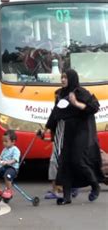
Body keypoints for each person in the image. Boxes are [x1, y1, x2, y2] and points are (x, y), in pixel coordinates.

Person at [45, 69, 104, 205]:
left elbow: (94, 107)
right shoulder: (60, 94)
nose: (63, 80)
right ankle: (67, 197)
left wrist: (76, 103)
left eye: (65, 77)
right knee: (65, 162)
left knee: (78, 160)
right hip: (67, 132)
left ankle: (95, 185)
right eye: (62, 77)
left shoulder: (80, 92)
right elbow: (55, 114)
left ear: (72, 78)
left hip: (82, 131)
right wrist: (45, 129)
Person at [0, 130, 20, 200]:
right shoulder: (4, 150)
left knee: (7, 175)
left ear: (13, 142)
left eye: (6, 141)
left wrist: (8, 162)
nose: (4, 143)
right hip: (3, 167)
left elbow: (15, 159)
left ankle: (9, 190)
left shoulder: (15, 150)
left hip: (12, 168)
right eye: (3, 141)